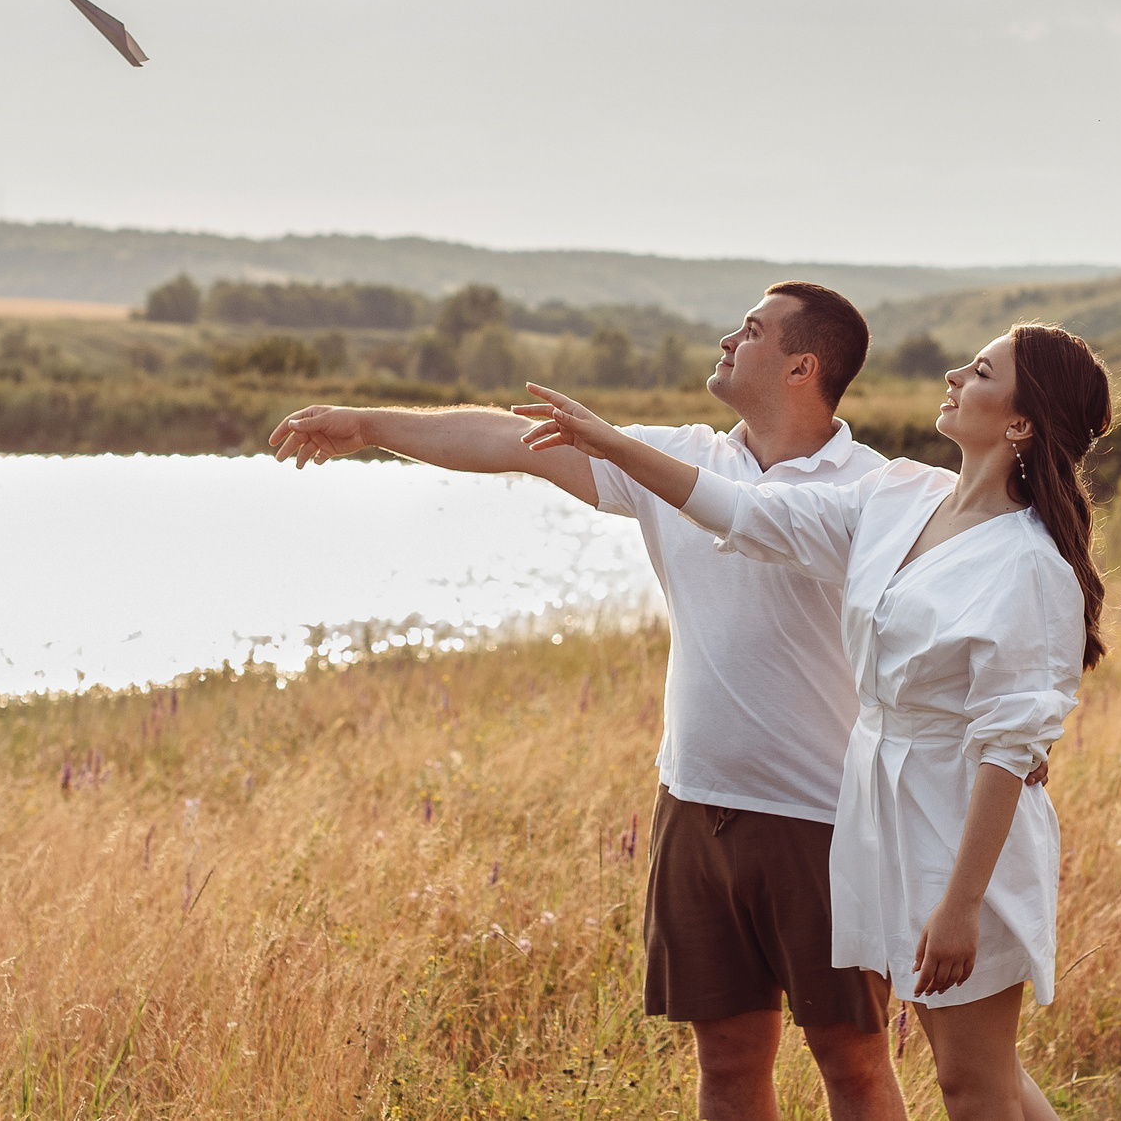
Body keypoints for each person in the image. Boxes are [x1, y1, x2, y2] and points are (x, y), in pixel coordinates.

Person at [268, 283, 908, 1121]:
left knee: (854, 1068)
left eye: (750, 330)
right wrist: (368, 423)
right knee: (725, 1065)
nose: (726, 337)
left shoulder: (877, 490)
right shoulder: (677, 459)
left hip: (819, 819)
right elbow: (513, 439)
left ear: (802, 364)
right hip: (695, 810)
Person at [514, 323, 1112, 1121]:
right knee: (983, 1073)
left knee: (973, 1083)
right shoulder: (900, 495)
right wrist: (615, 446)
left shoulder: (1031, 563)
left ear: (1021, 422)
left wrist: (962, 902)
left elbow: (1011, 748)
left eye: (979, 371)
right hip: (883, 816)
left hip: (962, 826)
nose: (953, 374)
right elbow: (749, 514)